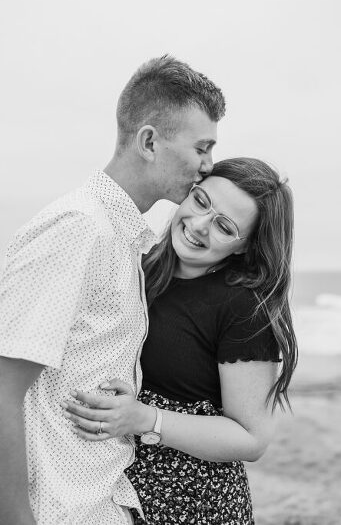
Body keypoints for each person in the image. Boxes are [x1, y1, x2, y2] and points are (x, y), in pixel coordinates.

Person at [0, 55, 225, 525]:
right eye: (201, 147)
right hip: (58, 513)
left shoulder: (122, 238)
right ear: (149, 141)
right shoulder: (80, 229)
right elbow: (3, 386)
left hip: (101, 504)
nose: (208, 165)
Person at [62, 157, 298, 524]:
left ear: (244, 247)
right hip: (111, 493)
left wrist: (145, 418)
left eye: (224, 226)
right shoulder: (138, 267)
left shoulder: (242, 306)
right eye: (201, 201)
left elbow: (252, 439)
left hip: (196, 506)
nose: (200, 225)